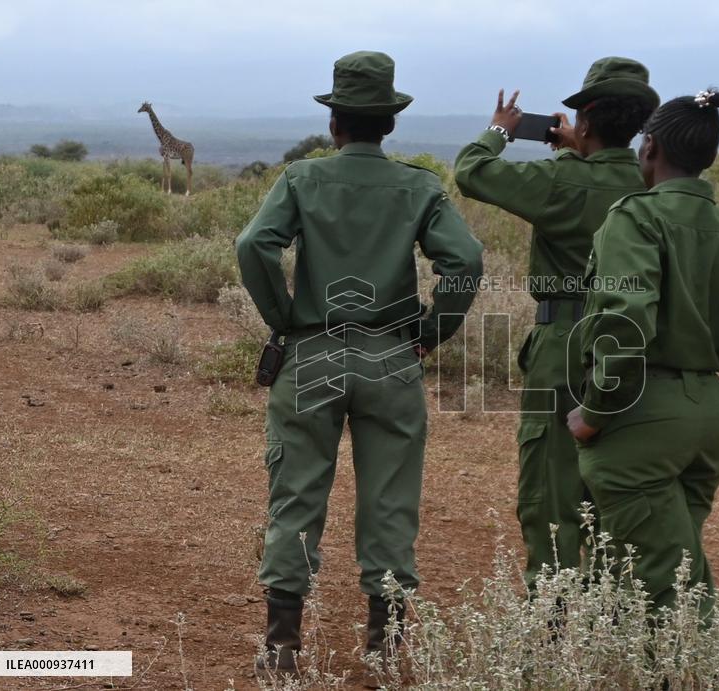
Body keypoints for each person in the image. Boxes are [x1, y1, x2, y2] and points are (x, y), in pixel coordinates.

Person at [235, 50, 484, 680]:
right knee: (391, 500)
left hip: (313, 351)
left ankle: (282, 650)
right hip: (391, 358)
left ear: (334, 123)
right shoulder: (420, 186)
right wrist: (431, 331)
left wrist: (286, 318)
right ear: (389, 124)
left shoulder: (301, 178)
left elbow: (253, 244)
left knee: (295, 495)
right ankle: (385, 650)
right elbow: (465, 262)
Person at [567, 89, 719, 616]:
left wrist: (595, 412)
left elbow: (626, 323)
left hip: (637, 422)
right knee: (639, 574)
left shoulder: (635, 217)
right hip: (706, 421)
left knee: (668, 598)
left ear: (650, 146)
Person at [454, 57, 660, 587]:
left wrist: (499, 130)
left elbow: (472, 172)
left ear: (584, 120)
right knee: (620, 487)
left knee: (550, 489)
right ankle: (615, 620)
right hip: (641, 347)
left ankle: (550, 624)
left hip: (564, 344)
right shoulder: (652, 185)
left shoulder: (561, 180)